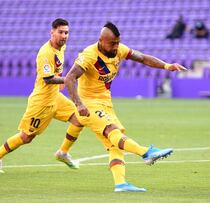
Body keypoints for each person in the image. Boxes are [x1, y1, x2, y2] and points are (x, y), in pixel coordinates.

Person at [65, 22, 187, 192]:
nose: (116, 46)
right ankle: (146, 152)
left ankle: (120, 184)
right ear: (101, 40)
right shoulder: (89, 55)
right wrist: (78, 104)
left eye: (117, 42)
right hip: (89, 104)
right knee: (112, 131)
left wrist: (167, 65)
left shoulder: (120, 49)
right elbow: (69, 78)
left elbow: (143, 58)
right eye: (112, 43)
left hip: (105, 103)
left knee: (115, 144)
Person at [0, 19, 83, 173]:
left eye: (66, 32)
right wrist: (67, 79)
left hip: (55, 97)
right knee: (26, 137)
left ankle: (62, 153)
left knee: (80, 118)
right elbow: (48, 78)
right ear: (52, 32)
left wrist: (63, 80)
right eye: (61, 32)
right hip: (42, 102)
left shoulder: (61, 48)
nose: (64, 35)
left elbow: (57, 70)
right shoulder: (45, 53)